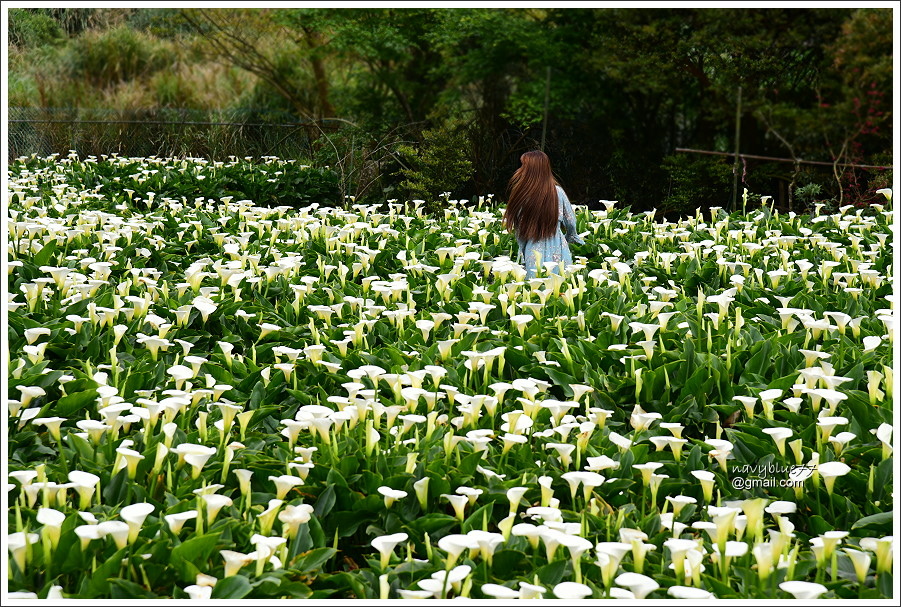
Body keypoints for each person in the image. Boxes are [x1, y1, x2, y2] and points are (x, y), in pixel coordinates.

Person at [503, 150, 585, 279]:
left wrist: (522, 252)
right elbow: (571, 222)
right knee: (561, 289)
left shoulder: (523, 195)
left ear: (529, 170)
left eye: (523, 166)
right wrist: (570, 237)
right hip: (559, 248)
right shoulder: (558, 192)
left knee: (535, 292)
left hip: (533, 250)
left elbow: (520, 231)